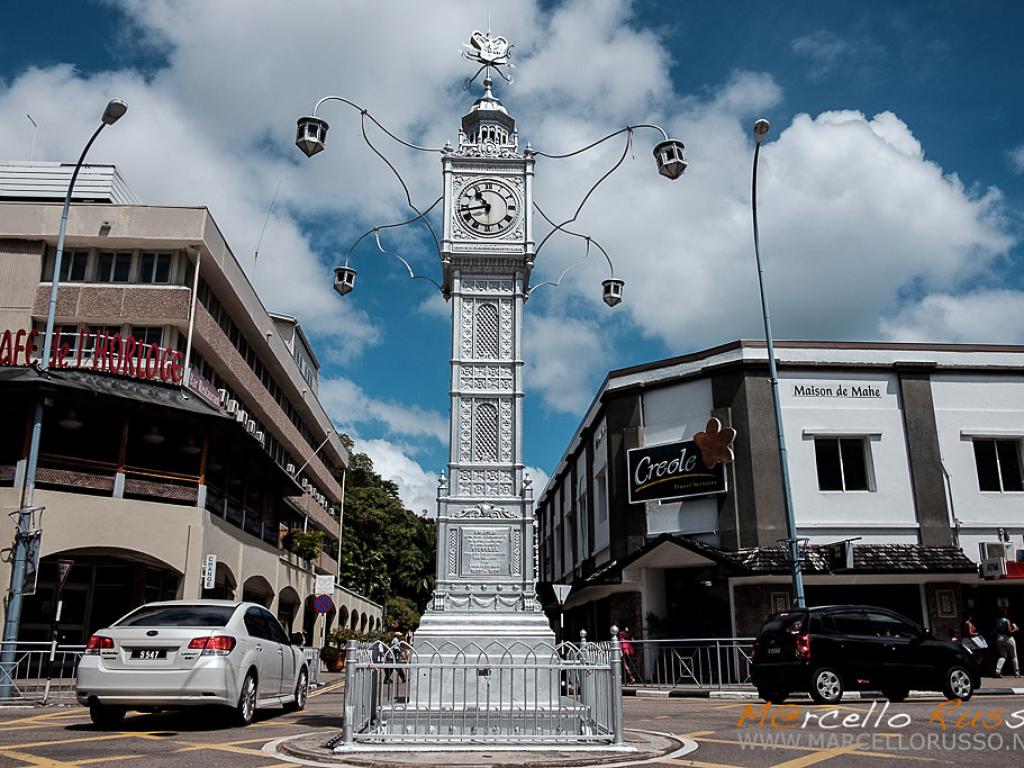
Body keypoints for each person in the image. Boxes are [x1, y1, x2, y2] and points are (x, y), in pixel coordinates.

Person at [994, 610, 1020, 678]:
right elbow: (1009, 630)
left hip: (999, 638)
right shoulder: (1007, 620)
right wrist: (1015, 629)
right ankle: (1017, 673)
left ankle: (998, 671)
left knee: (1003, 656)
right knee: (1014, 656)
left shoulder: (997, 620)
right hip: (1008, 638)